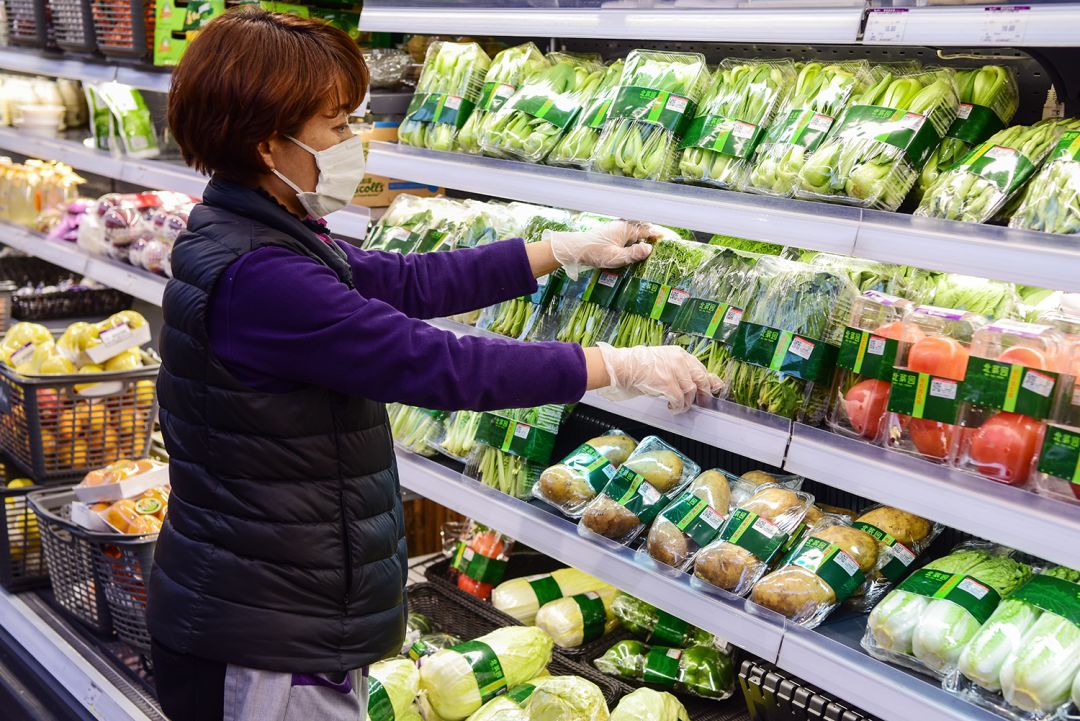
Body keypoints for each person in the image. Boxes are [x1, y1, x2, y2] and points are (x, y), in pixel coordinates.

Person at [149, 8, 720, 721]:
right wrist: (612, 364)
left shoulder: (254, 228)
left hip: (268, 606)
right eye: (337, 126)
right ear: (270, 145)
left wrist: (560, 250)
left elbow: (406, 280)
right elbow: (434, 363)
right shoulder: (262, 276)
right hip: (266, 635)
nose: (355, 142)